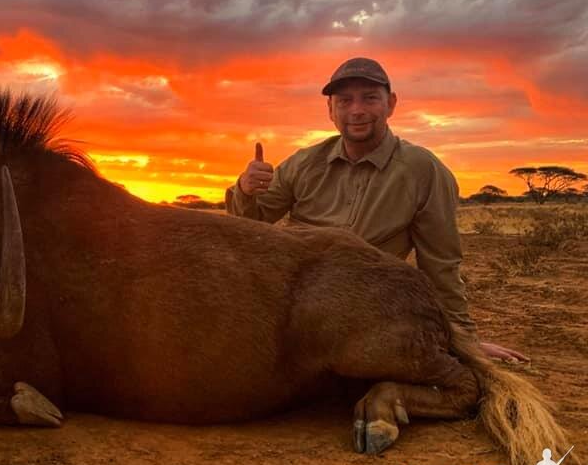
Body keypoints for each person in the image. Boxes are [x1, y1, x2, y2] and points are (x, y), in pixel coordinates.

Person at [225, 57, 527, 363]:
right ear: (331, 110)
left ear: (391, 104)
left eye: (370, 98)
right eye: (344, 101)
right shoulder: (303, 163)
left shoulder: (424, 170)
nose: (356, 110)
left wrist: (463, 339)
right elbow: (249, 225)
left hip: (366, 306)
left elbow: (441, 264)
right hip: (292, 299)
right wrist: (245, 190)